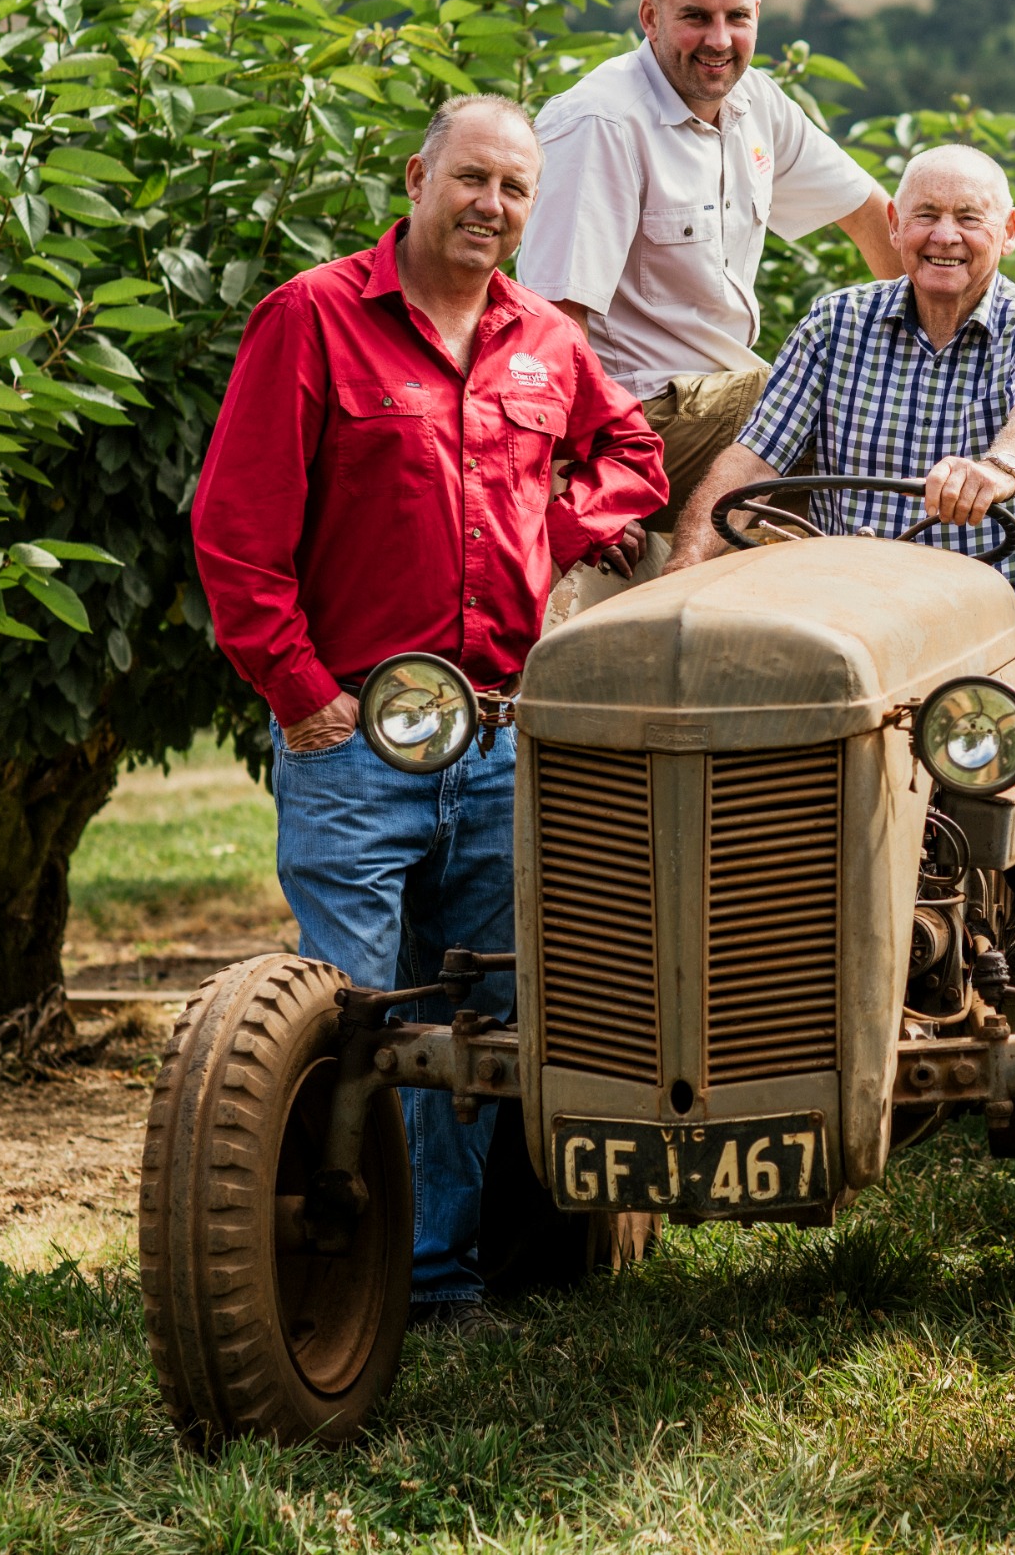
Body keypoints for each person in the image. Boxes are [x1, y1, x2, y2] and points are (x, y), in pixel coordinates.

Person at [190, 94, 666, 1322]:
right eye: (472, 180)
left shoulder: (544, 340)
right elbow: (235, 533)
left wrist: (551, 532)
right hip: (362, 737)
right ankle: (321, 1272)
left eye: (515, 190)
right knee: (344, 1014)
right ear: (417, 177)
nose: (492, 207)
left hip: (502, 738)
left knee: (477, 1020)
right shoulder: (313, 320)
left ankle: (436, 1281)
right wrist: (299, 690)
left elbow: (635, 460)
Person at [668, 143, 1015, 989]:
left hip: (995, 614)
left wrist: (997, 473)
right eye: (927, 217)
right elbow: (754, 460)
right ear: (894, 226)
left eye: (968, 218)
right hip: (853, 616)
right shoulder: (838, 323)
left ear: (1005, 232)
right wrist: (686, 564)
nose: (946, 237)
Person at [517, 0, 903, 578]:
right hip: (637, 419)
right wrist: (587, 491)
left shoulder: (756, 104)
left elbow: (871, 217)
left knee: (886, 386)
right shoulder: (603, 122)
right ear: (651, 18)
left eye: (736, 18)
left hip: (722, 401)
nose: (718, 40)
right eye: (695, 17)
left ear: (758, 16)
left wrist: (935, 344)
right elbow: (555, 325)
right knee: (825, 386)